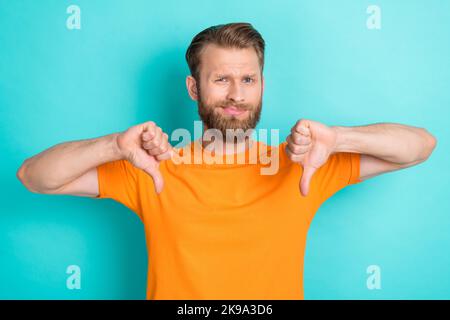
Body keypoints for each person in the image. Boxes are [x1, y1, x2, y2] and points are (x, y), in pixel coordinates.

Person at [17, 22, 437, 300]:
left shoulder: (303, 162)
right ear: (194, 88)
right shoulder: (150, 166)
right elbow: (33, 177)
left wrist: (341, 137)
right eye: (221, 79)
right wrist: (112, 145)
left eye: (248, 79)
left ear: (261, 86)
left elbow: (422, 146)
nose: (236, 93)